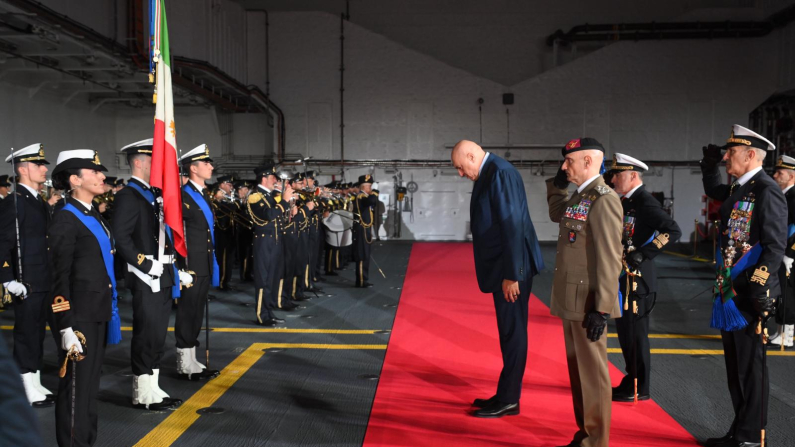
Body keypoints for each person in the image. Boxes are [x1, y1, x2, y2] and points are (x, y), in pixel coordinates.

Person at [701, 125, 785, 447]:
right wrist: (708, 167)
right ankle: (739, 430)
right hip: (730, 292)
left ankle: (751, 436)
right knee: (735, 367)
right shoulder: (740, 188)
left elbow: (775, 247)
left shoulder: (767, 190)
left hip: (750, 295)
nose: (725, 157)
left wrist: (759, 288)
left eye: (730, 153)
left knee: (751, 370)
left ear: (750, 155)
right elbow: (715, 192)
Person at [450, 140, 544, 418]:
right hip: (506, 267)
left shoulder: (500, 172)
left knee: (513, 333)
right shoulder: (491, 171)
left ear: (471, 154)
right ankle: (505, 394)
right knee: (508, 332)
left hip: (511, 270)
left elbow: (512, 224)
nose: (461, 173)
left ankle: (509, 400)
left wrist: (512, 275)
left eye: (460, 167)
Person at [546, 138, 622, 447]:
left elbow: (609, 257)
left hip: (589, 301)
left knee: (593, 376)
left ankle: (597, 440)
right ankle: (586, 432)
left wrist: (602, 309)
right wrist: (558, 183)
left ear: (588, 162)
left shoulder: (603, 199)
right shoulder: (582, 195)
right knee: (579, 374)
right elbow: (556, 214)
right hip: (572, 299)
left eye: (569, 161)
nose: (564, 166)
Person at [48, 149, 122, 447]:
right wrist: (65, 326)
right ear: (75, 180)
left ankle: (85, 442)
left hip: (98, 310)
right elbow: (57, 276)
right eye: (94, 172)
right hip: (79, 317)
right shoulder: (66, 220)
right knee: (76, 390)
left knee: (89, 388)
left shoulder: (91, 214)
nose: (102, 176)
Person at [113, 138, 188, 410]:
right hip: (147, 275)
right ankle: (142, 392)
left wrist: (174, 269)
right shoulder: (128, 195)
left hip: (164, 273)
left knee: (158, 334)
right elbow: (121, 238)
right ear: (138, 163)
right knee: (146, 334)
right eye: (154, 161)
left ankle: (153, 386)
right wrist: (145, 264)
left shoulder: (153, 194)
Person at [607, 153, 681, 402]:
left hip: (638, 278)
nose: (613, 178)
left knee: (636, 335)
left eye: (618, 174)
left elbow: (673, 230)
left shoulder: (645, 201)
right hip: (624, 275)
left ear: (633, 175)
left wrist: (645, 253)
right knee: (626, 334)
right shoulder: (627, 201)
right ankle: (631, 380)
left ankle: (641, 387)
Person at [0, 143, 54, 407]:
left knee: (37, 333)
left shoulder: (36, 200)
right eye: (38, 165)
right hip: (26, 279)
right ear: (22, 169)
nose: (44, 169)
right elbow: (2, 242)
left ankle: (34, 379)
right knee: (25, 334)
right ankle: (23, 385)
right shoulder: (15, 202)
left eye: (43, 165)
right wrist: (7, 279)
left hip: (41, 277)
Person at [175, 144, 220, 381]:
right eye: (206, 163)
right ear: (193, 168)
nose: (211, 166)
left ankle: (191, 358)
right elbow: (176, 233)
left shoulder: (201, 194)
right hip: (190, 264)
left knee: (197, 312)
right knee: (188, 312)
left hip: (203, 263)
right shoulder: (183, 196)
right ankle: (184, 362)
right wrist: (179, 267)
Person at [248, 164, 294, 325]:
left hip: (274, 241)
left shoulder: (270, 196)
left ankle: (269, 310)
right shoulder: (255, 196)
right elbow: (268, 215)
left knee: (272, 278)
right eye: (273, 177)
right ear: (264, 178)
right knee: (264, 279)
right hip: (264, 242)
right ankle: (262, 314)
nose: (276, 180)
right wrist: (285, 201)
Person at [769, 154, 795, 349]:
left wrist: (790, 254)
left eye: (780, 172)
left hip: (790, 255)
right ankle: (781, 332)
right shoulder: (785, 195)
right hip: (782, 251)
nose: (775, 175)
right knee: (782, 293)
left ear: (791, 176)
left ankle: (786, 336)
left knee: (787, 294)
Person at [353, 174, 378, 288]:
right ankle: (361, 280)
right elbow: (372, 200)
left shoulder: (364, 196)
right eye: (369, 187)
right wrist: (375, 193)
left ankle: (364, 278)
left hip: (365, 228)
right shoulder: (360, 197)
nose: (370, 189)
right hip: (361, 229)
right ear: (363, 187)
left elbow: (374, 203)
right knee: (362, 255)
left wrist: (373, 195)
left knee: (366, 254)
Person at [214, 175, 236, 291]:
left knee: (229, 258)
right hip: (222, 231)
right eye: (229, 184)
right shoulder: (216, 195)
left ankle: (226, 280)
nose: (231, 187)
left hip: (229, 231)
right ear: (222, 184)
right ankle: (221, 281)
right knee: (222, 257)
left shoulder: (229, 196)